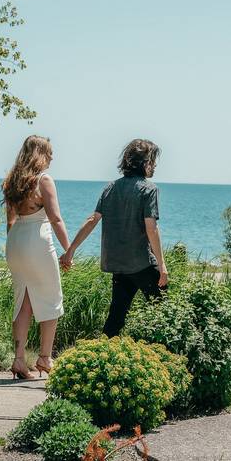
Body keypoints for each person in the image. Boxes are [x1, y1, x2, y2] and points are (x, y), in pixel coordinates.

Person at [60, 139, 168, 336]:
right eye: (152, 161)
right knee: (166, 313)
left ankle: (102, 357)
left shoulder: (110, 188)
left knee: (116, 318)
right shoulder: (149, 189)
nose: (154, 166)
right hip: (142, 263)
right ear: (144, 163)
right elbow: (151, 228)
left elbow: (93, 219)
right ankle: (166, 357)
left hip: (118, 265)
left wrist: (70, 250)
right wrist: (162, 266)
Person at [2, 135, 70, 379]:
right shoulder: (43, 180)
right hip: (37, 242)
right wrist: (68, 249)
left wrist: (13, 246)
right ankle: (45, 357)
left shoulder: (12, 180)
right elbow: (55, 219)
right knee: (51, 298)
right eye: (49, 152)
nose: (52, 157)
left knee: (23, 301)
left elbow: (10, 221)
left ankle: (19, 360)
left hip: (16, 242)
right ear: (40, 153)